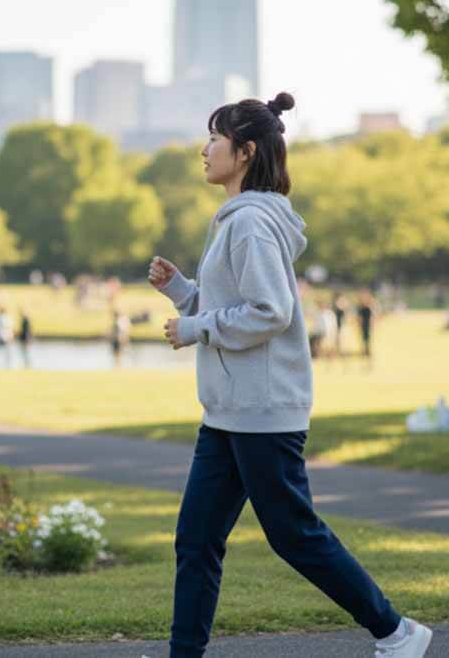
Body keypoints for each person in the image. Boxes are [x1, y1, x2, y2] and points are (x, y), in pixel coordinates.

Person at [147, 92, 430, 658]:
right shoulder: (237, 220)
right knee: (196, 539)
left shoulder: (250, 222)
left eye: (215, 140)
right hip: (229, 410)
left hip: (262, 409)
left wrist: (197, 328)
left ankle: (397, 632)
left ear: (245, 151)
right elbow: (241, 302)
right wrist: (182, 293)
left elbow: (270, 312)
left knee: (293, 534)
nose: (204, 150)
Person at [356, 290, 376, 360]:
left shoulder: (369, 307)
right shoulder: (361, 307)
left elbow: (372, 316)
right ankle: (365, 350)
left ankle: (367, 350)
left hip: (367, 324)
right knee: (364, 338)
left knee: (367, 338)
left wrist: (372, 323)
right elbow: (359, 317)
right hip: (363, 324)